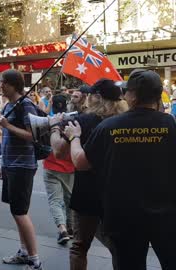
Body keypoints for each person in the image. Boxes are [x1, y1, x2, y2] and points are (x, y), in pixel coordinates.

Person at [65, 70, 176, 270]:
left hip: (124, 216)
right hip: (165, 214)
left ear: (132, 95)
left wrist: (74, 137)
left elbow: (81, 163)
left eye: (127, 92)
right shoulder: (170, 124)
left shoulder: (109, 127)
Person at [51, 78, 128, 270]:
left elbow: (59, 151)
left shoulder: (82, 122)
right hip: (117, 193)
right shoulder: (126, 122)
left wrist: (54, 127)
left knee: (79, 246)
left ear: (96, 97)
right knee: (118, 247)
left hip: (88, 193)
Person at [0, 70, 43, 270]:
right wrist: (3, 165)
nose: (0, 86)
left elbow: (32, 136)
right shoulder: (9, 105)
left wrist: (7, 125)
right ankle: (24, 252)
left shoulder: (25, 104)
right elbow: (7, 138)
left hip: (22, 166)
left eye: (3, 83)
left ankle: (35, 260)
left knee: (20, 212)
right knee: (16, 211)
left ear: (12, 85)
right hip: (10, 165)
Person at [42, 96, 75, 245]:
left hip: (50, 165)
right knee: (69, 199)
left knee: (55, 200)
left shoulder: (47, 121)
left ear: (52, 106)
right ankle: (71, 228)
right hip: (69, 167)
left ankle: (62, 229)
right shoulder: (73, 121)